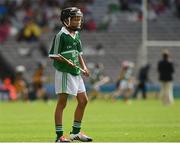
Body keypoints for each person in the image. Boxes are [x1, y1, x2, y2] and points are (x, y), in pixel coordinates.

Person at [48, 7, 93, 143]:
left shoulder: (76, 35)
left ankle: (75, 133)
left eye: (79, 19)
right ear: (66, 20)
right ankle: (59, 136)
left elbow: (79, 54)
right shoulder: (60, 36)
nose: (78, 22)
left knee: (83, 101)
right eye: (75, 19)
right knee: (62, 103)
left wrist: (84, 67)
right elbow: (53, 55)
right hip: (64, 73)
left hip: (76, 73)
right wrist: (66, 61)